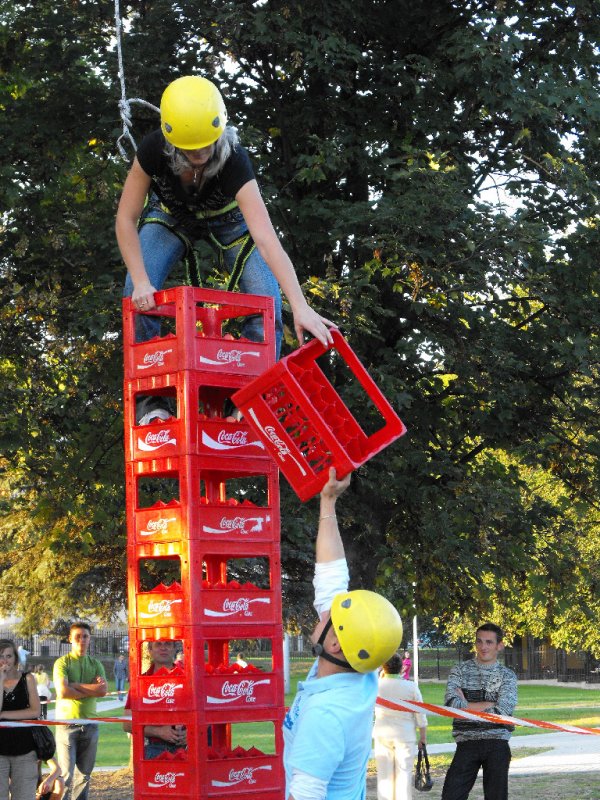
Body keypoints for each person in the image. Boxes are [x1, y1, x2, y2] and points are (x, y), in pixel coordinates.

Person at [116, 75, 335, 420]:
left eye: (206, 144)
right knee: (135, 291)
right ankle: (151, 400)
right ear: (172, 141)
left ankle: (248, 400)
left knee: (266, 299)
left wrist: (300, 305)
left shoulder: (235, 161)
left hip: (229, 222)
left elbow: (265, 238)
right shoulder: (153, 150)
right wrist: (143, 281)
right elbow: (126, 219)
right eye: (191, 148)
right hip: (172, 217)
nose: (200, 154)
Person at [283, 469, 403, 800]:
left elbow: (305, 795)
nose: (326, 610)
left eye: (333, 617)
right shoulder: (355, 672)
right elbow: (331, 575)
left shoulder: (326, 714)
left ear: (334, 642)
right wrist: (328, 502)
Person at [441, 623, 518, 800]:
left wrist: (466, 704)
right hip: (466, 742)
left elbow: (503, 710)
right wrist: (489, 703)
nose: (483, 647)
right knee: (451, 795)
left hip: (497, 741)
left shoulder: (507, 676)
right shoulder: (459, 670)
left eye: (489, 642)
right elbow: (452, 704)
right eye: (479, 641)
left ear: (499, 645)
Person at [53, 622, 107, 800]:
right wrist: (90, 688)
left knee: (84, 776)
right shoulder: (62, 663)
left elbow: (102, 691)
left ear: (90, 639)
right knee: (66, 776)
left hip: (90, 725)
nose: (82, 640)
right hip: (67, 725)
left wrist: (75, 685)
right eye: (78, 636)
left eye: (85, 636)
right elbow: (63, 692)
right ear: (70, 639)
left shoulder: (96, 663)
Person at [373, 653, 427, 800]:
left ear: (383, 667)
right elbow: (420, 713)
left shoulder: (376, 686)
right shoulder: (410, 687)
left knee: (384, 775)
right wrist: (423, 736)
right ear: (402, 667)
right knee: (404, 774)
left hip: (382, 734)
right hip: (405, 735)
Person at [123, 640, 187, 758]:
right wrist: (158, 732)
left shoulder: (188, 679)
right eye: (158, 644)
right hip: (154, 749)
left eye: (167, 644)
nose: (163, 648)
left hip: (187, 749)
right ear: (150, 650)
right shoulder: (141, 683)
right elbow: (127, 724)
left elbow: (208, 716)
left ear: (174, 648)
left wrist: (191, 734)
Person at [0, 638, 41, 799]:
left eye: (9, 656)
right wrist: (1, 680)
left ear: (15, 658)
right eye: (1, 656)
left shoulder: (28, 679)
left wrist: (4, 715)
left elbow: (35, 711)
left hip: (25, 749)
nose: (4, 660)